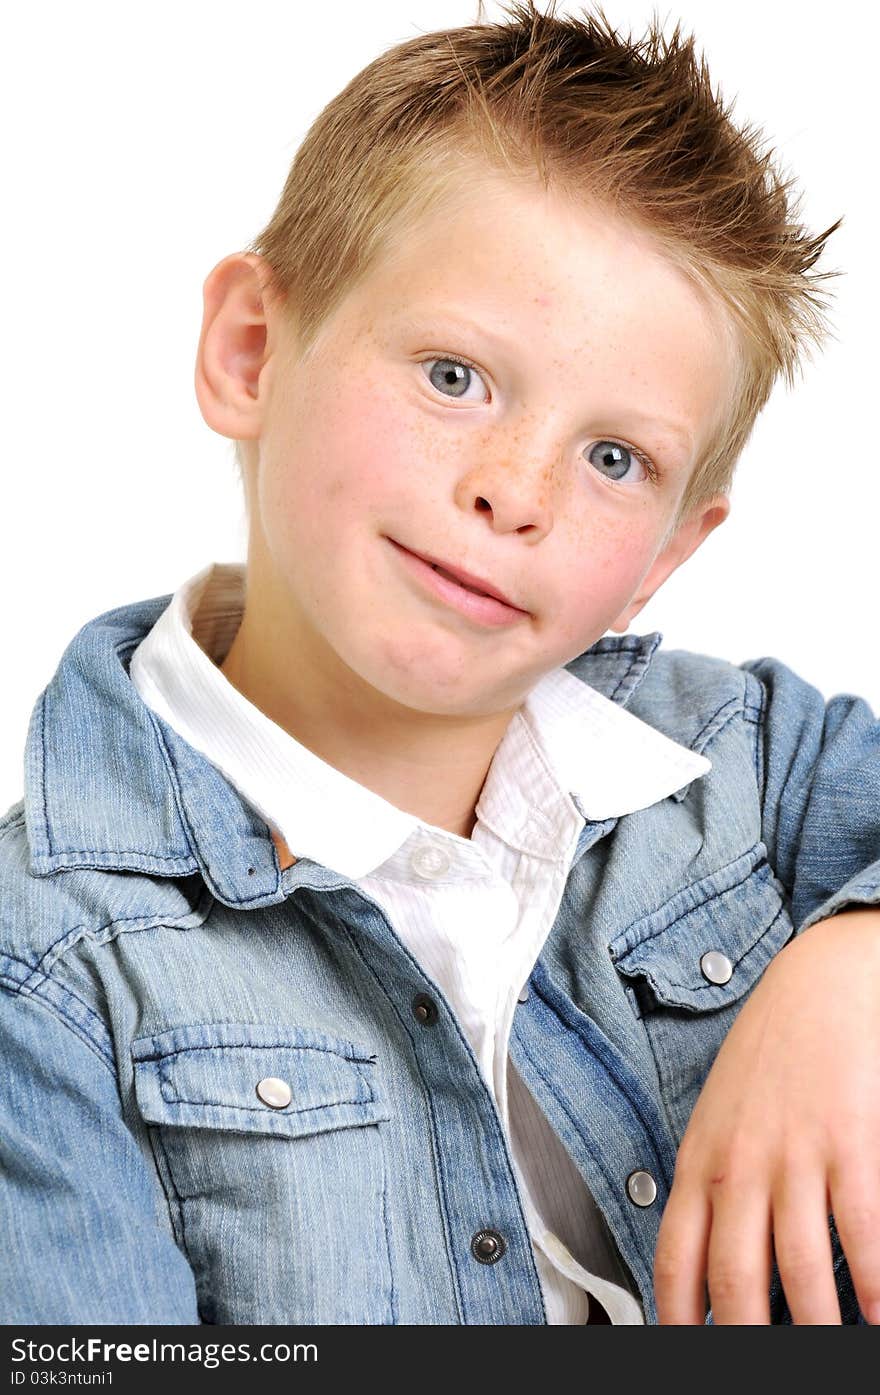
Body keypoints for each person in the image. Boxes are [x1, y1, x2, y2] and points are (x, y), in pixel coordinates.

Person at [1, 0, 878, 1327]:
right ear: (250, 351)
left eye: (612, 459)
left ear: (664, 556)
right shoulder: (45, 968)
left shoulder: (759, 771)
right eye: (456, 376)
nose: (512, 491)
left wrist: (855, 963)